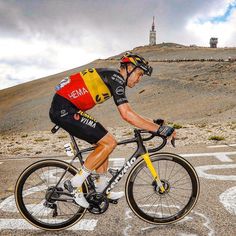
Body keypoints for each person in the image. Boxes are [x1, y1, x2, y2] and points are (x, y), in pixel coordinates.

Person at [49, 52, 175, 208]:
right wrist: (160, 130)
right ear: (129, 67)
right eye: (139, 74)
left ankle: (102, 187)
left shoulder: (113, 76)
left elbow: (129, 112)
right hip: (64, 109)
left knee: (104, 141)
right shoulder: (116, 77)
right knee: (109, 142)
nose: (139, 79)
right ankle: (74, 184)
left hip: (68, 108)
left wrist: (153, 123)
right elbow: (126, 114)